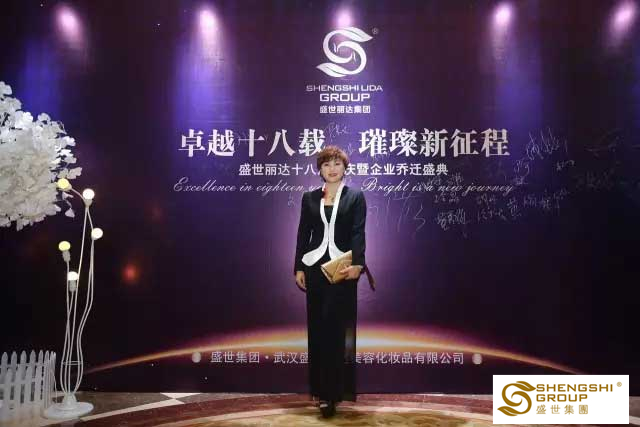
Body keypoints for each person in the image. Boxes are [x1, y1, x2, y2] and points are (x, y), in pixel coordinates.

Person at [293, 145, 371, 418]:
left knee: (337, 331)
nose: (332, 169)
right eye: (326, 164)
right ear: (320, 170)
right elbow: (303, 233)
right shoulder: (309, 198)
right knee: (318, 330)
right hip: (315, 269)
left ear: (345, 168)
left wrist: (358, 264)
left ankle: (334, 394)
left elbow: (358, 232)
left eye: (337, 163)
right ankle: (320, 391)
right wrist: (298, 266)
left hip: (342, 271)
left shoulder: (355, 197)